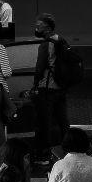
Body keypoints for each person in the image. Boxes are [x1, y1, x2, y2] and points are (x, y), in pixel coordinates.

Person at [30, 12, 73, 157]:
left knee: (44, 123)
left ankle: (44, 154)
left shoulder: (46, 44)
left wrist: (35, 86)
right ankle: (70, 150)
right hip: (62, 88)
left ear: (47, 28)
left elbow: (40, 68)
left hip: (47, 88)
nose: (36, 28)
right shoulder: (62, 40)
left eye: (39, 26)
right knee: (63, 120)